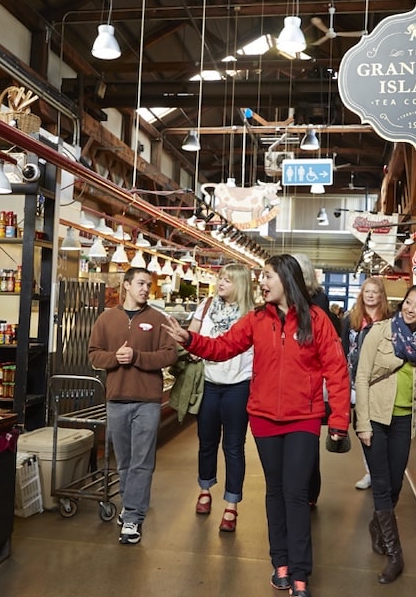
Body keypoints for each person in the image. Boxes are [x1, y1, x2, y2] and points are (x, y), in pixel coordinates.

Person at [162, 255, 350, 597]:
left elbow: (336, 371)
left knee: (295, 493)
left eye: (266, 277)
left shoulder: (317, 319)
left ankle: (300, 573)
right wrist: (190, 339)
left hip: (303, 419)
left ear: (287, 280)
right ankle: (280, 562)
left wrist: (338, 419)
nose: (261, 283)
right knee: (275, 491)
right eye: (260, 277)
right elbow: (222, 348)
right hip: (264, 419)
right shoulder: (256, 319)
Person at [353, 284, 416, 584]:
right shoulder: (379, 332)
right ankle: (395, 555)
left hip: (404, 421)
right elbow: (362, 377)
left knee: (394, 486)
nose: (409, 309)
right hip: (376, 418)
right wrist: (363, 423)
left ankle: (377, 527)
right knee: (380, 485)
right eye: (408, 302)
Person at [89, 267, 178, 546]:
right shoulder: (106, 319)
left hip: (147, 402)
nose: (145, 289)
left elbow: (170, 354)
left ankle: (133, 517)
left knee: (142, 461)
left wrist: (137, 356)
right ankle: (130, 505)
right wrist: (115, 357)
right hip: (116, 400)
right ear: (125, 285)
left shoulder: (158, 319)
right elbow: (93, 354)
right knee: (124, 461)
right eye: (140, 283)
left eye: (147, 284)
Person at [187, 263, 255, 533]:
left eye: (227, 279)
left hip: (239, 385)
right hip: (209, 383)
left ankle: (231, 506)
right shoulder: (206, 306)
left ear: (240, 283)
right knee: (206, 442)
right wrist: (190, 345)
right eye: (220, 278)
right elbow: (191, 335)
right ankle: (205, 489)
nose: (221, 283)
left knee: (234, 447)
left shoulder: (252, 314)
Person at [292, 253, 340, 508]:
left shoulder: (316, 305)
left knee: (307, 443)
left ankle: (308, 494)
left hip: (311, 382)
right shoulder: (290, 302)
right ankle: (305, 493)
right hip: (294, 384)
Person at [340, 276, 392, 490]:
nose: (370, 295)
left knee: (382, 425)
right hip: (355, 381)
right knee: (363, 426)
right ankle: (371, 471)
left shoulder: (390, 319)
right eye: (367, 291)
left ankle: (383, 470)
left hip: (382, 379)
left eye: (375, 292)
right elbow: (342, 349)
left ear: (381, 296)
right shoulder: (350, 319)